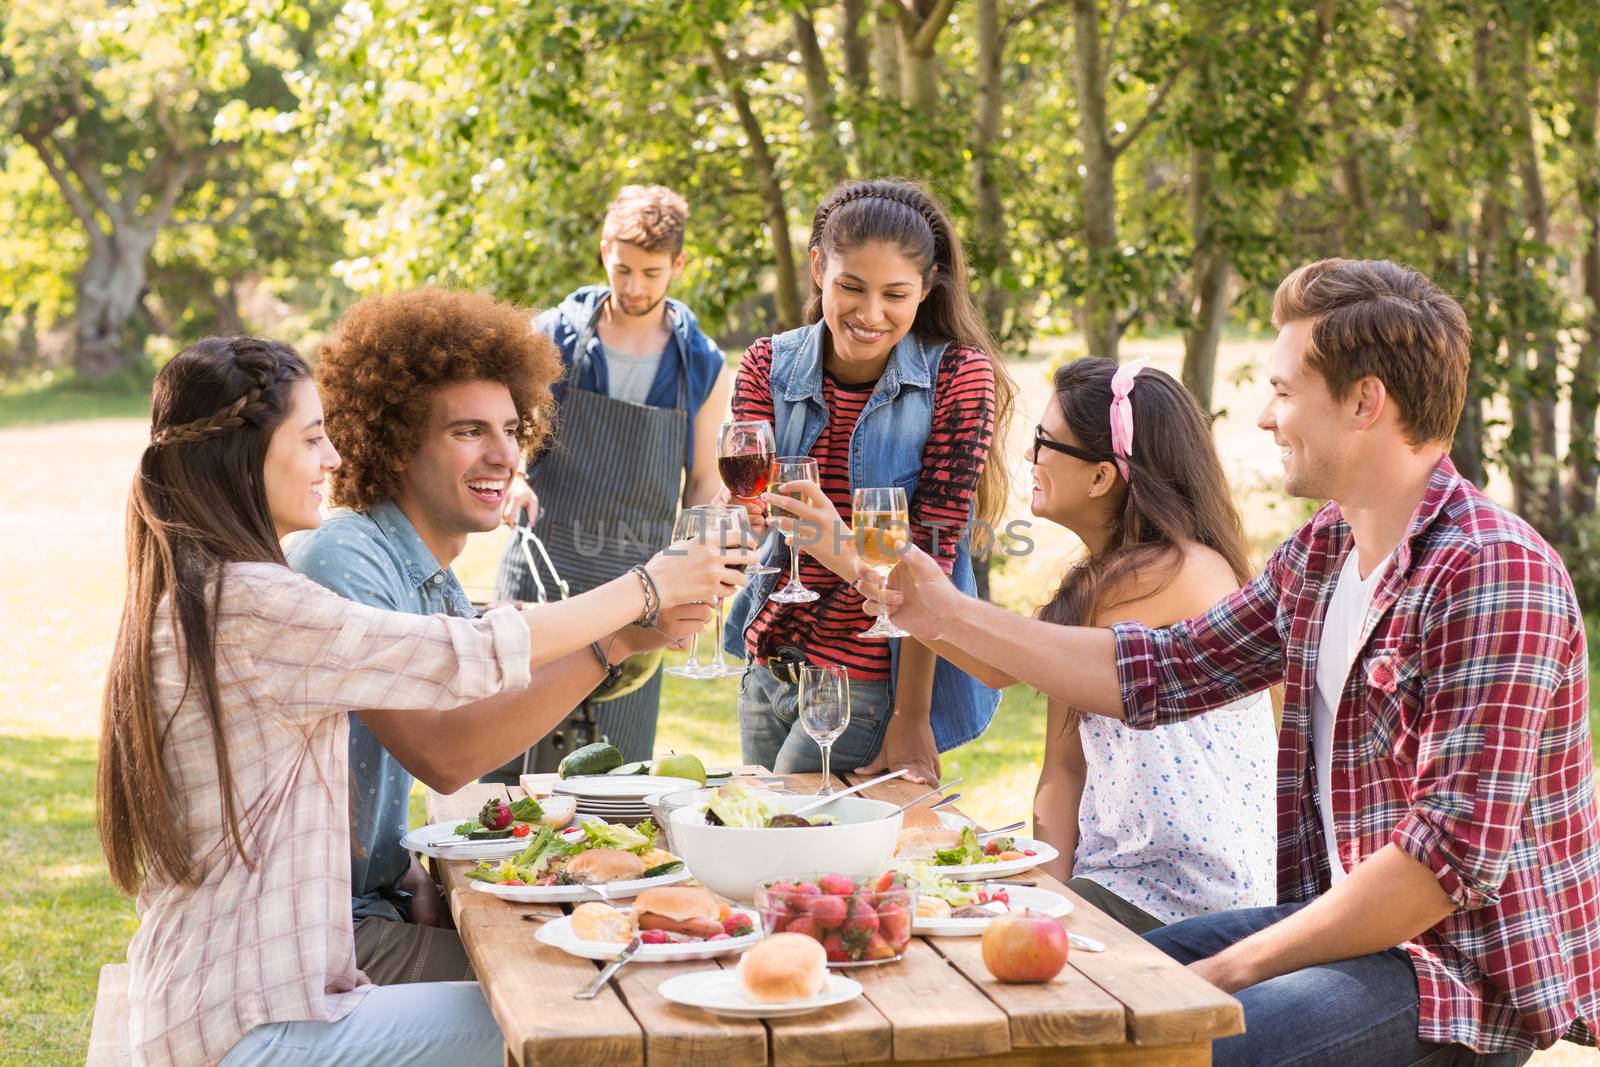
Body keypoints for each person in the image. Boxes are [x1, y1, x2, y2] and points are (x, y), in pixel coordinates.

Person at [858, 259, 1598, 1064]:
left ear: (1364, 401)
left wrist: (1223, 974)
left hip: (1453, 973)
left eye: (1283, 391)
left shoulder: (1493, 574)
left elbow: (1438, 868)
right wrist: (946, 611)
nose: (1263, 418)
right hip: (1344, 926)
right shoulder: (1326, 551)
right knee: (1063, 1001)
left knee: (1161, 1042)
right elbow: (1164, 670)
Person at [98, 336, 749, 1066]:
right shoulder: (256, 601)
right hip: (254, 1025)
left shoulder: (210, 585)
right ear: (242, 456)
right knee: (580, 1024)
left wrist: (402, 870)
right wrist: (645, 588)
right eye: (312, 439)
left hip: (240, 997)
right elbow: (460, 665)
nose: (333, 459)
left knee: (574, 985)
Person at [281, 288, 700, 986]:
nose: (505, 454)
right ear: (394, 442)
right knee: (579, 987)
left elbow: (463, 724)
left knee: (616, 951)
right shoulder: (342, 559)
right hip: (323, 941)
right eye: (468, 431)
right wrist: (623, 626)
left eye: (513, 427)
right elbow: (447, 752)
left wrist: (627, 638)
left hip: (376, 907)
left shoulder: (429, 577)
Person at [911, 355, 1276, 932]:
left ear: (1102, 476)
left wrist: (860, 563)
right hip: (1116, 883)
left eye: (1045, 442)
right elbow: (1063, 775)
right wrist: (1050, 906)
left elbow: (999, 664)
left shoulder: (1174, 570)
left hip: (1185, 898)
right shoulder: (1101, 586)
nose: (1030, 457)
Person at [723, 177, 1017, 783]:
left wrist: (913, 715)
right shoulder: (765, 364)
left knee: (794, 846)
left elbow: (931, 561)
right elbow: (744, 505)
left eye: (895, 295)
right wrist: (739, 519)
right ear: (816, 269)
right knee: (763, 850)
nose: (870, 313)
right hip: (769, 662)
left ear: (928, 286)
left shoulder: (960, 379)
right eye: (850, 287)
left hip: (866, 680)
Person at [489, 184, 731, 774]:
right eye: (623, 269)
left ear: (678, 265)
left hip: (638, 597)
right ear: (604, 252)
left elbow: (701, 484)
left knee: (612, 781)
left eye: (651, 272)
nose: (635, 287)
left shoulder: (702, 364)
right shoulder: (554, 336)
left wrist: (691, 571)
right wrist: (515, 476)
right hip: (541, 577)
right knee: (502, 764)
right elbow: (510, 432)